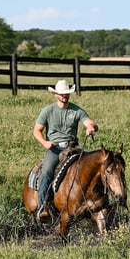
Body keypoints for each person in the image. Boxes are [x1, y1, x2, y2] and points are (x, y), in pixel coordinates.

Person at [32, 79, 98, 221]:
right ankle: (42, 207)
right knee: (47, 171)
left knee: (90, 165)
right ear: (56, 94)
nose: (64, 96)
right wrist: (44, 143)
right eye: (61, 94)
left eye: (66, 93)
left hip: (73, 146)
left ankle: (96, 200)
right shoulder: (48, 111)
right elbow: (37, 130)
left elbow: (90, 122)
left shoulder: (76, 110)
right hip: (55, 148)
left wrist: (90, 128)